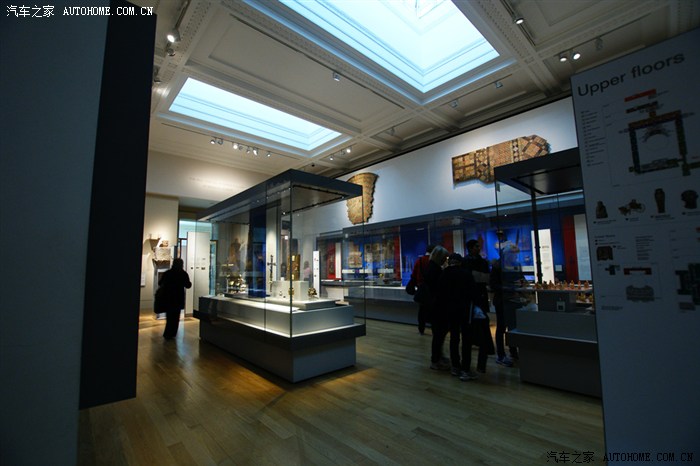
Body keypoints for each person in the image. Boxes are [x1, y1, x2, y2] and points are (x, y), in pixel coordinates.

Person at [436, 253, 476, 380]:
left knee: (454, 338)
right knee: (466, 339)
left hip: (450, 310)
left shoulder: (444, 274)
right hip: (464, 309)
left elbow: (440, 293)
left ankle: (455, 366)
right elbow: (472, 292)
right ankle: (465, 368)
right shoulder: (466, 274)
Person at [462, 239, 495, 374]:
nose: (478, 248)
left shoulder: (480, 262)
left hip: (478, 299)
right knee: (473, 333)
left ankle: (480, 365)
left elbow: (484, 278)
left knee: (483, 332)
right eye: (476, 246)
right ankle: (469, 366)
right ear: (470, 248)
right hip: (471, 300)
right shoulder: (468, 262)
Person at [423, 245, 450, 370]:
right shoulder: (435, 270)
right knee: (439, 335)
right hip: (437, 307)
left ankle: (438, 356)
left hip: (433, 306)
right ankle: (436, 359)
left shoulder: (431, 267)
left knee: (438, 334)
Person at [158, 258, 192, 340]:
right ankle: (172, 333)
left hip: (168, 298)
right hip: (178, 298)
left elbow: (160, 283)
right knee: (176, 318)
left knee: (169, 317)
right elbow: (188, 285)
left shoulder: (168, 273)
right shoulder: (183, 274)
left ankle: (167, 333)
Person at [490, 258, 515, 367]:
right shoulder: (498, 267)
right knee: (502, 327)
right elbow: (493, 284)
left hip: (509, 300)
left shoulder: (505, 265)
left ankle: (512, 351)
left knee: (510, 327)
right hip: (502, 301)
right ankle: (501, 354)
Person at [409, 244, 435, 334]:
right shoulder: (434, 262)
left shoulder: (419, 261)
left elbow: (413, 275)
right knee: (433, 310)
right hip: (432, 289)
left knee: (422, 310)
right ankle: (434, 328)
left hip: (421, 288)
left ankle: (421, 329)